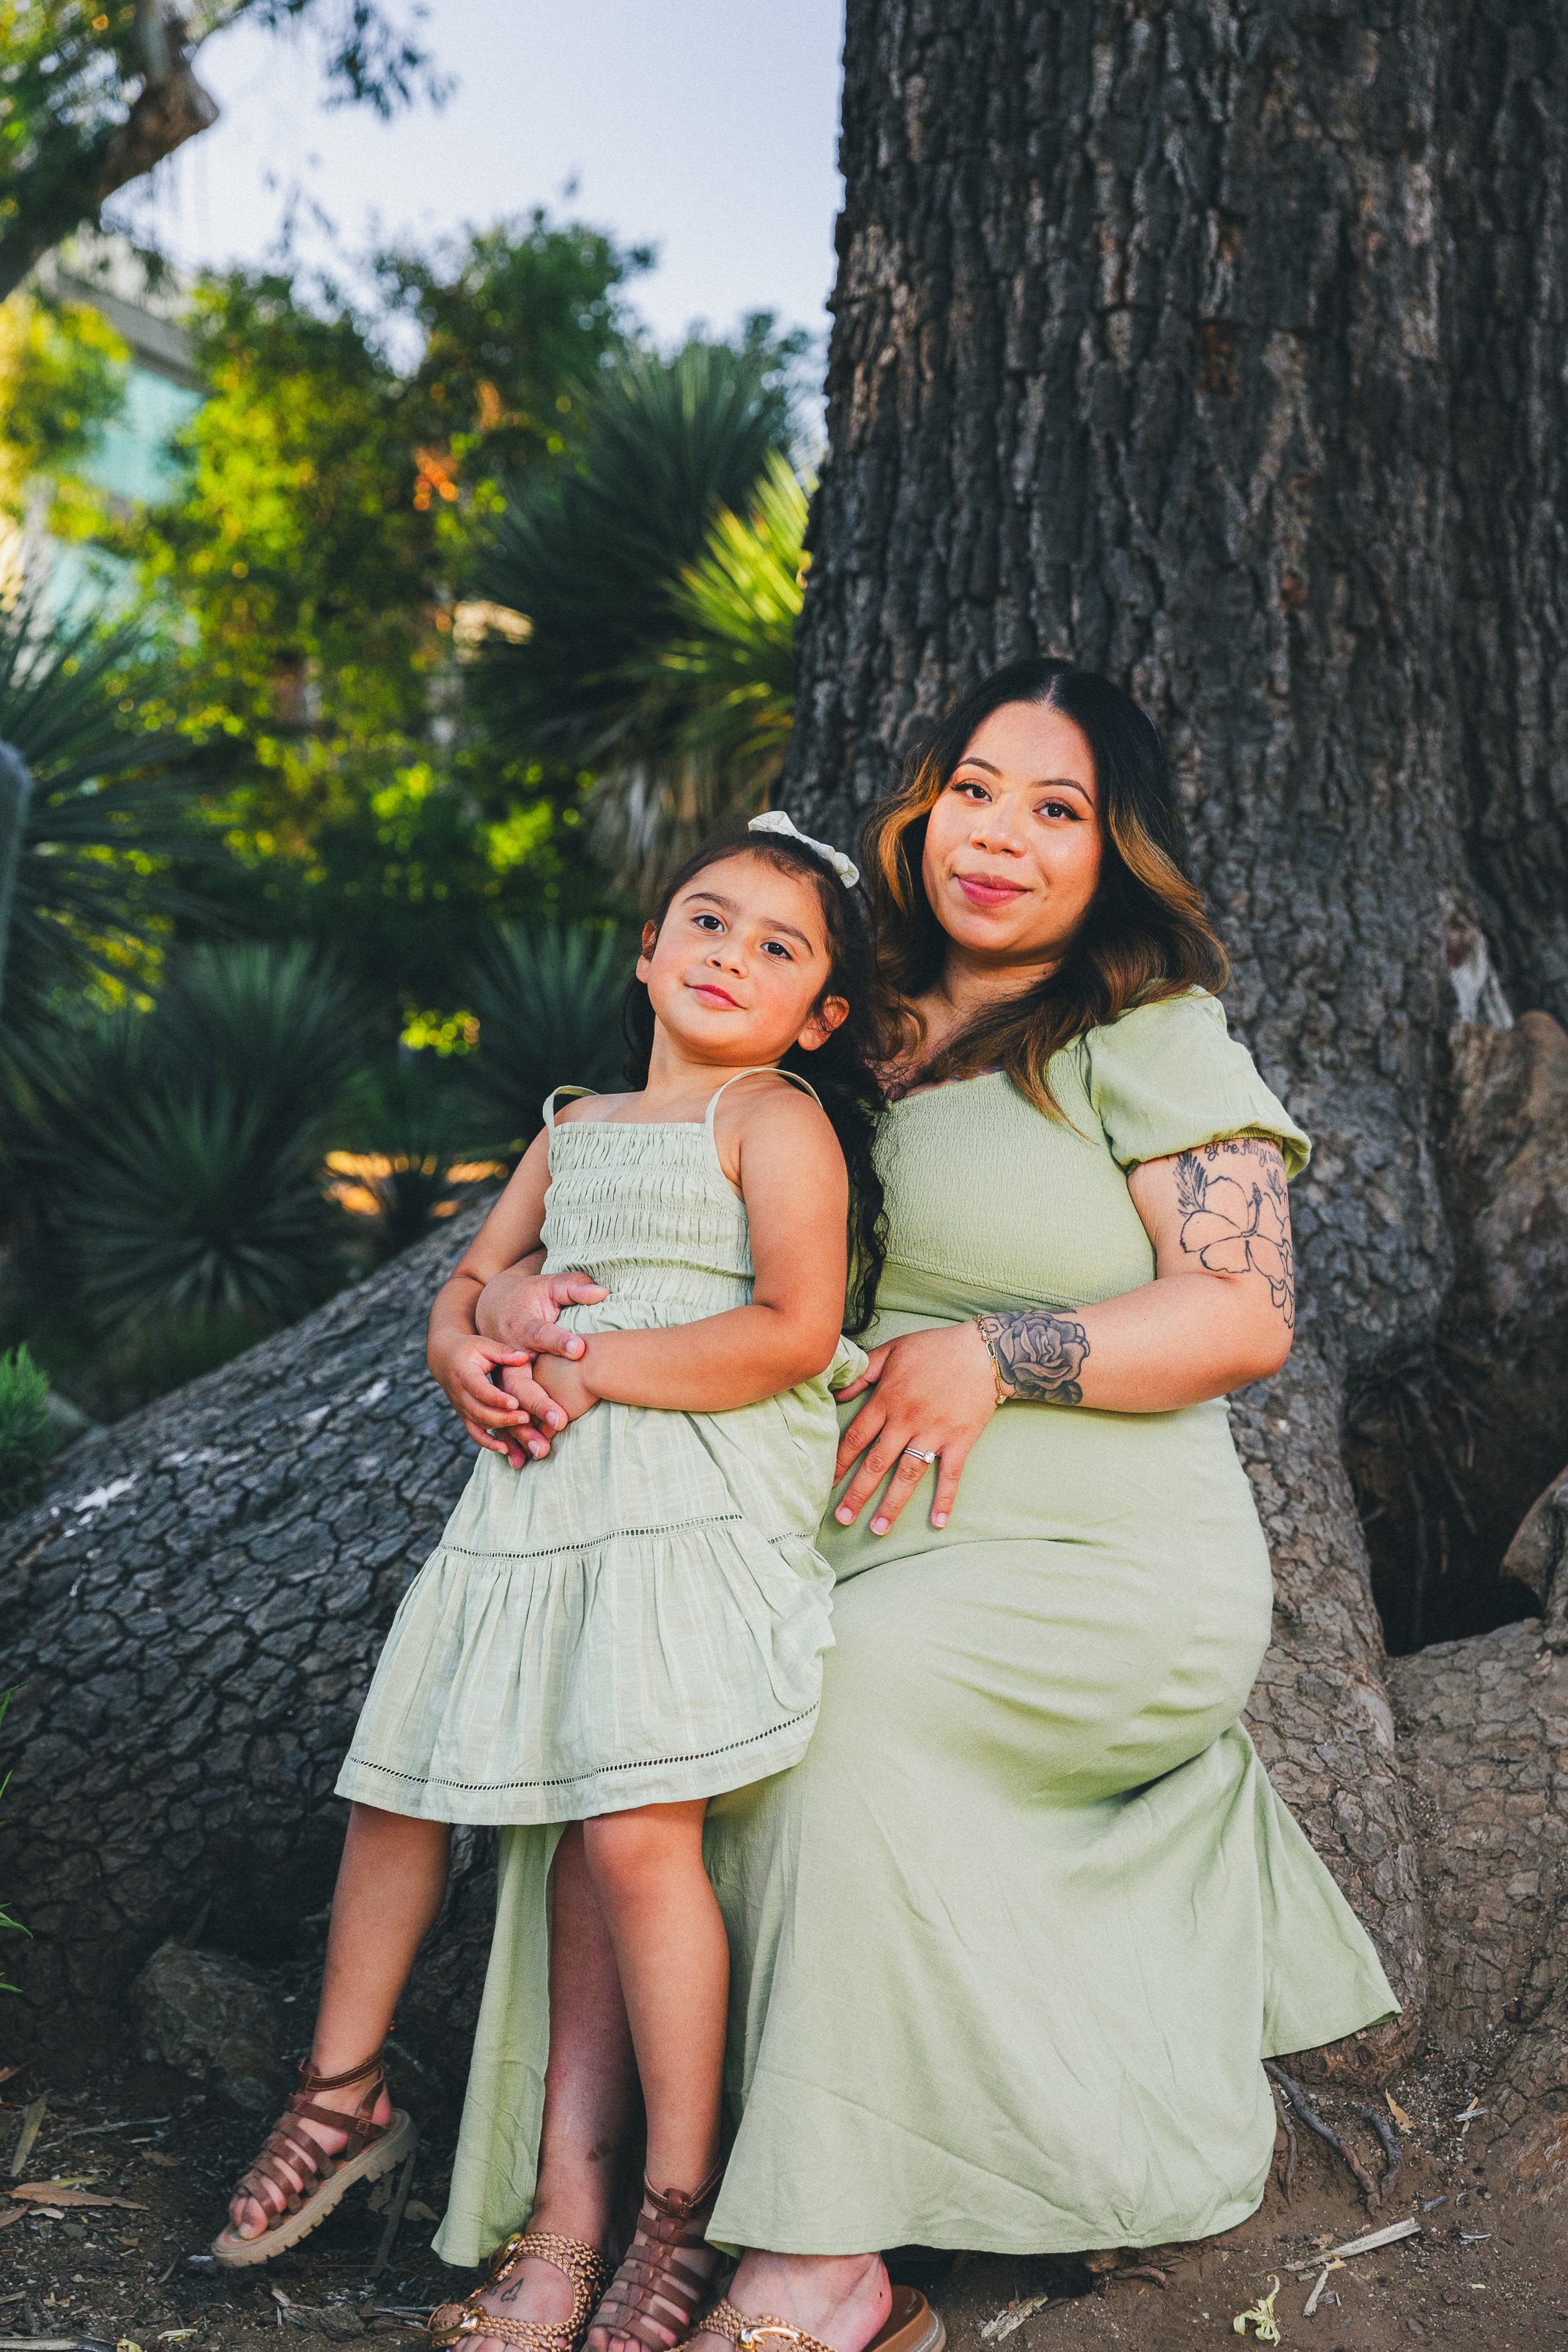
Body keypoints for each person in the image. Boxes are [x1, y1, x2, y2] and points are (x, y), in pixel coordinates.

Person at [445, 656, 1397, 2352]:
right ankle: (589, 2215)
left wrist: (992, 1353)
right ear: (918, 802)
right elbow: (639, 1200)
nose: (1002, 838)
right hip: (823, 1536)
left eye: (1057, 811)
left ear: (1114, 854)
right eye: (974, 788)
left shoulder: (1146, 1036)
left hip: (1097, 1569)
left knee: (832, 1706)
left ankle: (820, 2263)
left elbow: (1242, 1313)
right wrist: (493, 1319)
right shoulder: (824, 1020)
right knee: (638, 1715)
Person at [212, 816, 892, 2352]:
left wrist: (582, 1359)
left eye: (778, 950)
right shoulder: (574, 1123)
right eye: (704, 923)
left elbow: (789, 1330)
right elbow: (465, 1288)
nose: (731, 958)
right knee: (399, 1783)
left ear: (819, 1018)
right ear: (645, 949)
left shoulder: (770, 1118)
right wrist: (476, 1327)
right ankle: (342, 2092)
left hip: (682, 1502)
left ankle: (673, 2208)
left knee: (633, 1829)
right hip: (528, 1512)